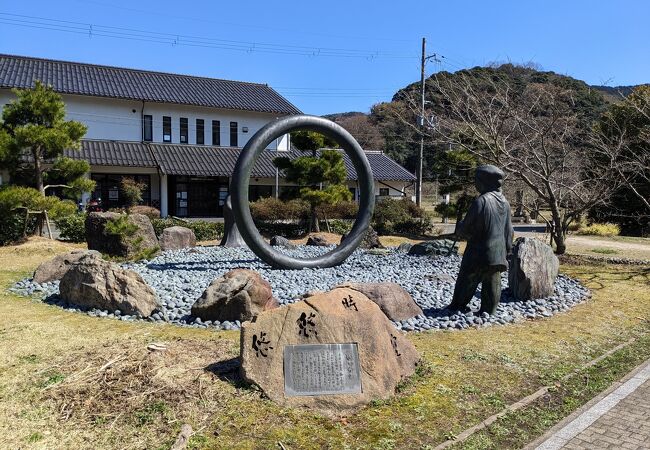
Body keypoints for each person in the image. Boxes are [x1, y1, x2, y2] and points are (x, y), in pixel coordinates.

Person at [446, 165, 513, 315]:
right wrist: (507, 250)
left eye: (477, 180)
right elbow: (509, 230)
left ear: (484, 182)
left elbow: (466, 228)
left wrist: (460, 228)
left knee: (467, 277)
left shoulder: (481, 201)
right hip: (498, 252)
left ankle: (458, 305)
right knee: (493, 281)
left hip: (479, 250)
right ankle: (489, 310)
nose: (475, 184)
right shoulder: (505, 203)